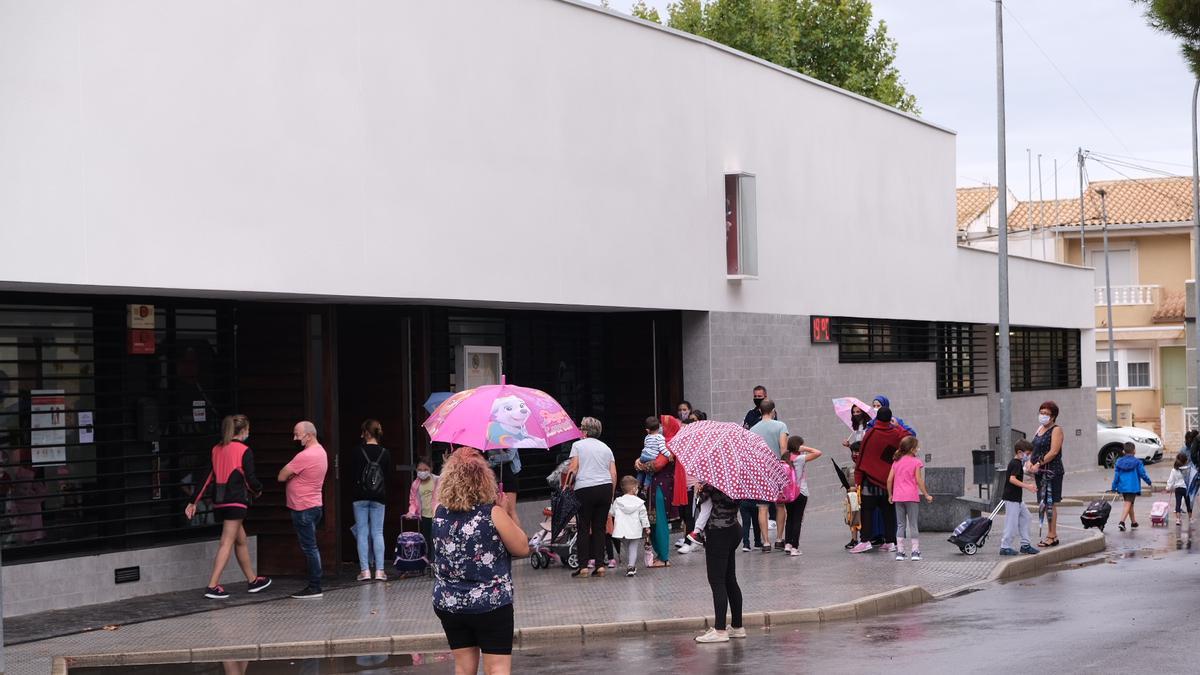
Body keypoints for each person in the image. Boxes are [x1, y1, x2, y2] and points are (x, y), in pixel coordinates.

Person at [432, 447, 529, 675]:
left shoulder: (438, 512)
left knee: (463, 668)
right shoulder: (492, 513)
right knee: (497, 668)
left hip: (450, 602)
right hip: (491, 603)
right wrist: (508, 511)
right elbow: (522, 547)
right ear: (484, 479)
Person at [185, 414, 271, 599]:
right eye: (248, 429)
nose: (249, 432)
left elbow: (206, 478)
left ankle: (253, 580)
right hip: (236, 501)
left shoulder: (216, 449)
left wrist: (193, 501)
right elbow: (250, 479)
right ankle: (212, 585)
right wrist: (258, 490)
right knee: (226, 542)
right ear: (243, 431)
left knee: (241, 540)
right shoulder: (244, 450)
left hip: (220, 501)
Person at [279, 420, 328, 599]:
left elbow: (281, 475)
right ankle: (315, 584)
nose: (295, 437)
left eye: (297, 434)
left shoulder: (305, 456)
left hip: (303, 507)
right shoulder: (322, 452)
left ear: (309, 435)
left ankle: (315, 586)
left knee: (310, 547)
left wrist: (293, 474)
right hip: (314, 505)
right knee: (311, 546)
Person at [851, 407, 910, 554]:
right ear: (890, 419)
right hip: (888, 482)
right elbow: (909, 438)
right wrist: (898, 426)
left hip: (869, 481)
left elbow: (862, 456)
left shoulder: (871, 433)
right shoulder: (896, 434)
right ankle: (890, 542)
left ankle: (865, 541)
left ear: (877, 418)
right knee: (888, 512)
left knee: (867, 511)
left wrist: (858, 478)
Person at [695, 485, 746, 643]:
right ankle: (737, 627)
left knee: (717, 581)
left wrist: (700, 491)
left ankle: (720, 630)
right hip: (734, 528)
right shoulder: (737, 481)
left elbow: (703, 506)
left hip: (718, 532)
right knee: (730, 579)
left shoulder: (711, 484)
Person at [566, 416, 616, 578]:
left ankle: (583, 567)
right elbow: (613, 473)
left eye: (581, 427)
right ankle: (600, 565)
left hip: (585, 489)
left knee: (583, 527)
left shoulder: (578, 445)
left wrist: (566, 487)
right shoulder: (606, 448)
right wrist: (611, 494)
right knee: (600, 528)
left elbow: (573, 468)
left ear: (585, 431)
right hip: (605, 488)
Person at [351, 419, 390, 581]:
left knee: (362, 532)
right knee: (378, 532)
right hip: (379, 496)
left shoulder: (357, 451)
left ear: (365, 433)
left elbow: (353, 474)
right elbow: (387, 476)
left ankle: (365, 570)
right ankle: (380, 571)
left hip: (360, 495)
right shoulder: (385, 453)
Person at [749, 399, 787, 553]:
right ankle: (779, 539)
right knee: (780, 505)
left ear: (759, 411)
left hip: (761, 471)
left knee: (762, 508)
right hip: (777, 469)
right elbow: (783, 448)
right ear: (773, 411)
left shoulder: (753, 429)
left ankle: (765, 542)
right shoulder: (781, 426)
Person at [886, 436, 932, 561]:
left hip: (898, 497)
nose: (918, 449)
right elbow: (918, 480)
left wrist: (890, 494)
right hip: (911, 497)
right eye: (917, 447)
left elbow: (889, 480)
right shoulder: (916, 462)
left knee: (900, 525)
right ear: (912, 449)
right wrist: (926, 494)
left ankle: (900, 552)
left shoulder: (896, 461)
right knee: (913, 525)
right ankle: (915, 552)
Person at [1029, 401, 1065, 547]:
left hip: (1051, 471)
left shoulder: (1056, 430)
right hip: (1039, 472)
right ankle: (1051, 534)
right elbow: (1033, 448)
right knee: (1043, 503)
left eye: (1046, 414)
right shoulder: (1039, 429)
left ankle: (1052, 535)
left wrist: (1038, 463)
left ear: (1053, 416)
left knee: (1050, 503)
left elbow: (1054, 451)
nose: (1043, 416)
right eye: (1041, 412)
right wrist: (1029, 461)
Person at [999, 439, 1040, 556]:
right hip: (1012, 498)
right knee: (1011, 523)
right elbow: (1012, 479)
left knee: (1027, 517)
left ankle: (1025, 545)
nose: (1028, 456)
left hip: (1016, 498)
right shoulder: (1015, 463)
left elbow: (1021, 473)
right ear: (1020, 452)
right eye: (1027, 454)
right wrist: (1028, 486)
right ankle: (1005, 546)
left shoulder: (1017, 463)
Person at [782, 436, 821, 557]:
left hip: (788, 494)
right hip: (800, 492)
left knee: (790, 518)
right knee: (797, 519)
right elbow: (818, 452)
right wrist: (805, 448)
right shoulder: (800, 458)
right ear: (798, 445)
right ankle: (795, 547)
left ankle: (788, 544)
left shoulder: (785, 457)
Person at [609, 476, 651, 576]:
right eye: (637, 488)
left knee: (627, 547)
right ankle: (631, 566)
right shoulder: (639, 503)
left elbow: (612, 513)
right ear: (633, 489)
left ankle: (630, 564)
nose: (637, 490)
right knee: (633, 547)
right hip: (634, 529)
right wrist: (646, 527)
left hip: (621, 530)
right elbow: (643, 516)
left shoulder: (618, 501)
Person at [1111, 441, 1153, 532]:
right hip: (1132, 487)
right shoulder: (1137, 462)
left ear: (1123, 451)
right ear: (1134, 451)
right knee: (1128, 504)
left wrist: (1114, 487)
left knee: (1130, 504)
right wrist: (1149, 482)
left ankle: (1134, 522)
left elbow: (1116, 476)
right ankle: (1121, 522)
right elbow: (1142, 474)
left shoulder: (1119, 462)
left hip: (1122, 486)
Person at [407, 456, 440, 546]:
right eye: (419, 470)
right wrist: (411, 512)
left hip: (437, 515)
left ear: (431, 469)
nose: (422, 472)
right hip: (425, 516)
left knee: (437, 540)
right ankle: (428, 559)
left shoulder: (438, 480)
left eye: (425, 469)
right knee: (426, 541)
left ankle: (435, 559)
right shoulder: (415, 484)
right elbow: (413, 500)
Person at [636, 417, 667, 493]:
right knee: (648, 476)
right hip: (656, 477)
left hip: (645, 457)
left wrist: (640, 464)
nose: (661, 428)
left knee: (640, 473)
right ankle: (644, 489)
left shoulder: (648, 437)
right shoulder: (661, 438)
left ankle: (637, 486)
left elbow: (657, 464)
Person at [1167, 451, 1192, 518]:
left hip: (1178, 489)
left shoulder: (1174, 470)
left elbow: (1171, 480)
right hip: (1186, 489)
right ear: (1185, 461)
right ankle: (1190, 518)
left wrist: (1168, 488)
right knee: (1188, 504)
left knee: (1178, 504)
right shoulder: (1188, 469)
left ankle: (1178, 519)